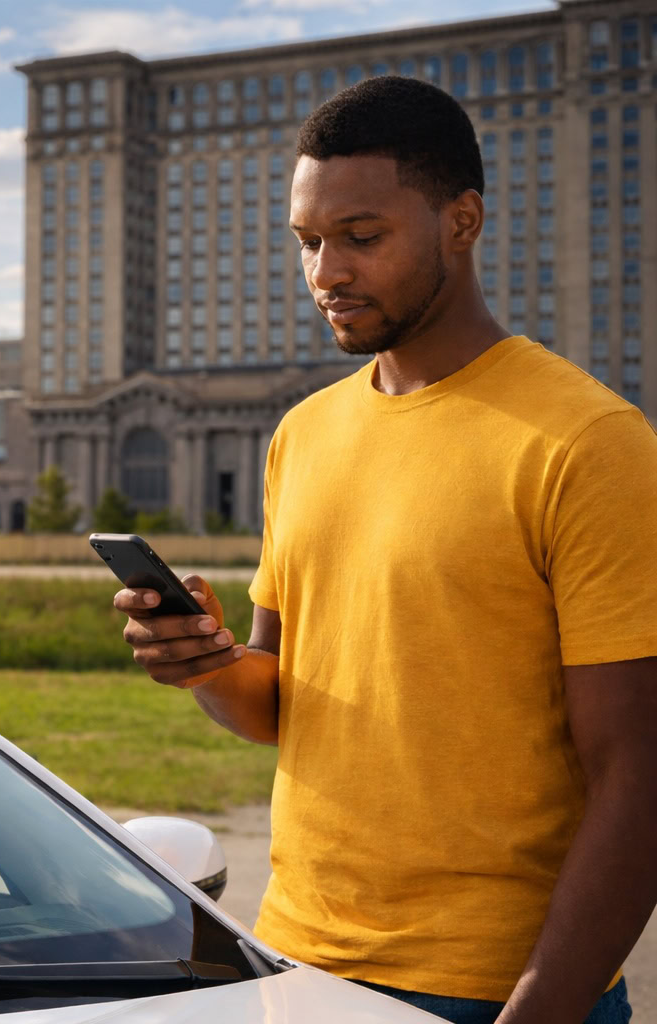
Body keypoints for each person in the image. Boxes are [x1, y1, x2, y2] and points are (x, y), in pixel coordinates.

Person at [115, 76, 657, 1024]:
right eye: (308, 242)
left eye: (361, 237)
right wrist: (200, 664)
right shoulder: (305, 435)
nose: (326, 271)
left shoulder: (588, 442)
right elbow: (277, 702)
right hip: (294, 959)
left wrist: (542, 1008)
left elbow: (639, 768)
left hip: (493, 988)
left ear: (463, 220)